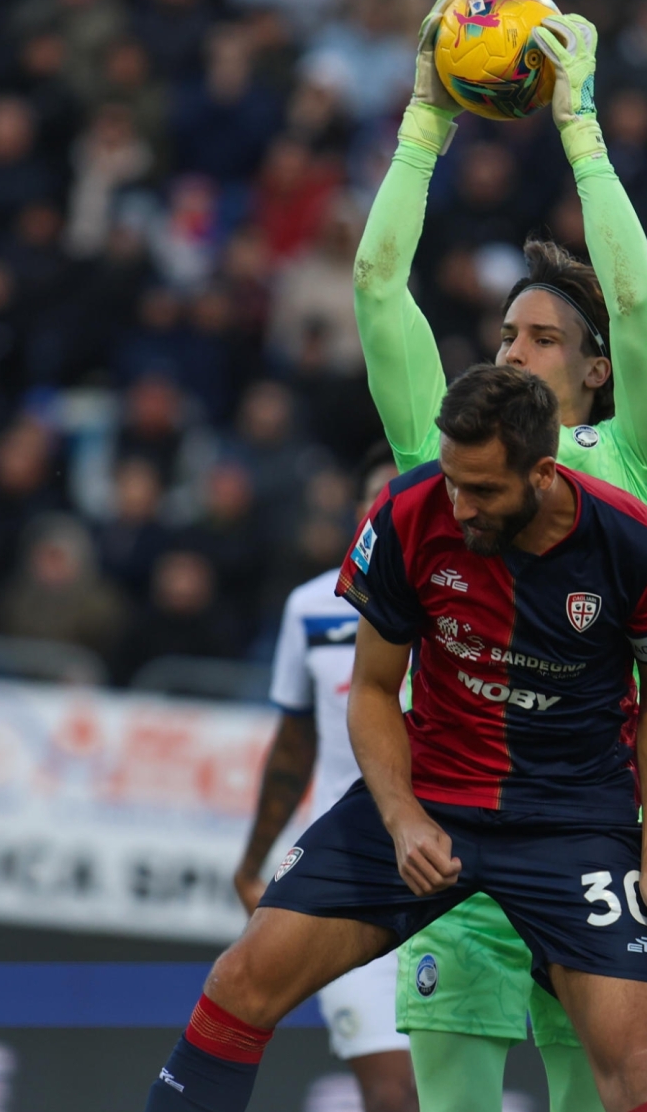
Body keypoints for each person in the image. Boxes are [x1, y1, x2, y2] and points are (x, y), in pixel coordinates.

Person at [145, 367, 647, 1112]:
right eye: (450, 481)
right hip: (432, 793)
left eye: (483, 491)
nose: (460, 506)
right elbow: (373, 690)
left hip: (576, 821)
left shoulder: (635, 546)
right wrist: (403, 815)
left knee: (646, 1066)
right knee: (240, 980)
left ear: (544, 472)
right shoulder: (409, 514)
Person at [355, 0, 647, 1112]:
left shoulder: (639, 464)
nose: (512, 348)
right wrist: (423, 123)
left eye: (543, 338)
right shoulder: (448, 449)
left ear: (595, 372)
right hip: (457, 837)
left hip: (595, 837)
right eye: (506, 333)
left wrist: (580, 126)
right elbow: (374, 286)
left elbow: (636, 298)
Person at [232, 445, 414, 1112]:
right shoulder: (311, 607)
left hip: (459, 876)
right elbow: (293, 744)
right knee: (392, 1093)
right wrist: (253, 861)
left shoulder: (470, 606)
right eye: (378, 494)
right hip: (357, 871)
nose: (389, 506)